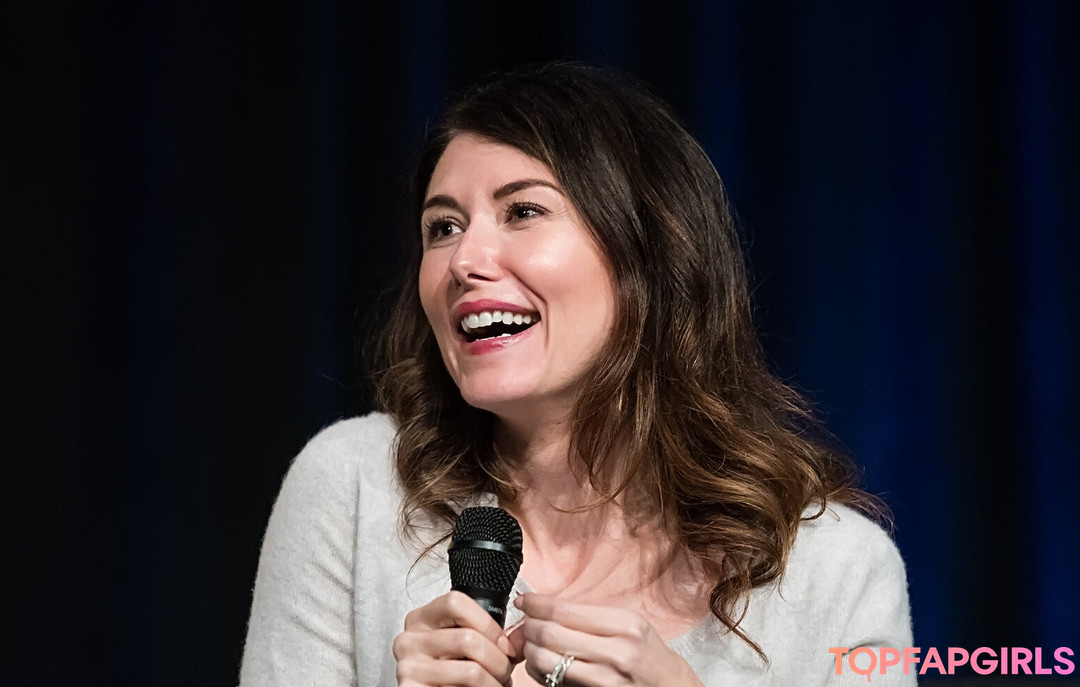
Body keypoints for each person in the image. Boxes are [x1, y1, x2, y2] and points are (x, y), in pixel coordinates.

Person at [239, 62, 913, 686]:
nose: (464, 260)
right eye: (442, 227)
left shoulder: (837, 571)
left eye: (522, 211)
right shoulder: (354, 487)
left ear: (650, 252)